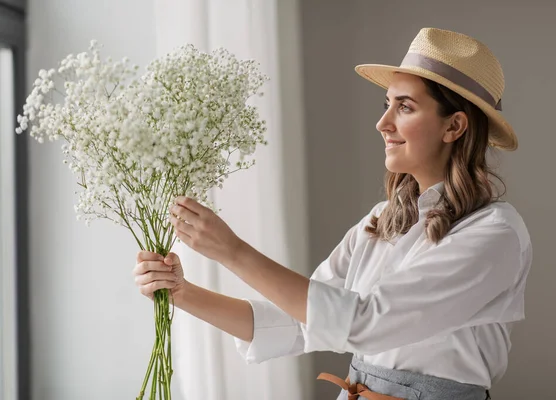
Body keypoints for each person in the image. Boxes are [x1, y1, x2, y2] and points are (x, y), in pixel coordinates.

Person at [133, 27, 532, 400]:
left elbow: (363, 324)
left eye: (405, 107)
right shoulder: (382, 220)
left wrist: (233, 252)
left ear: (455, 126)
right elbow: (297, 321)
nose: (382, 123)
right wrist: (181, 293)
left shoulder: (495, 234)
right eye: (386, 105)